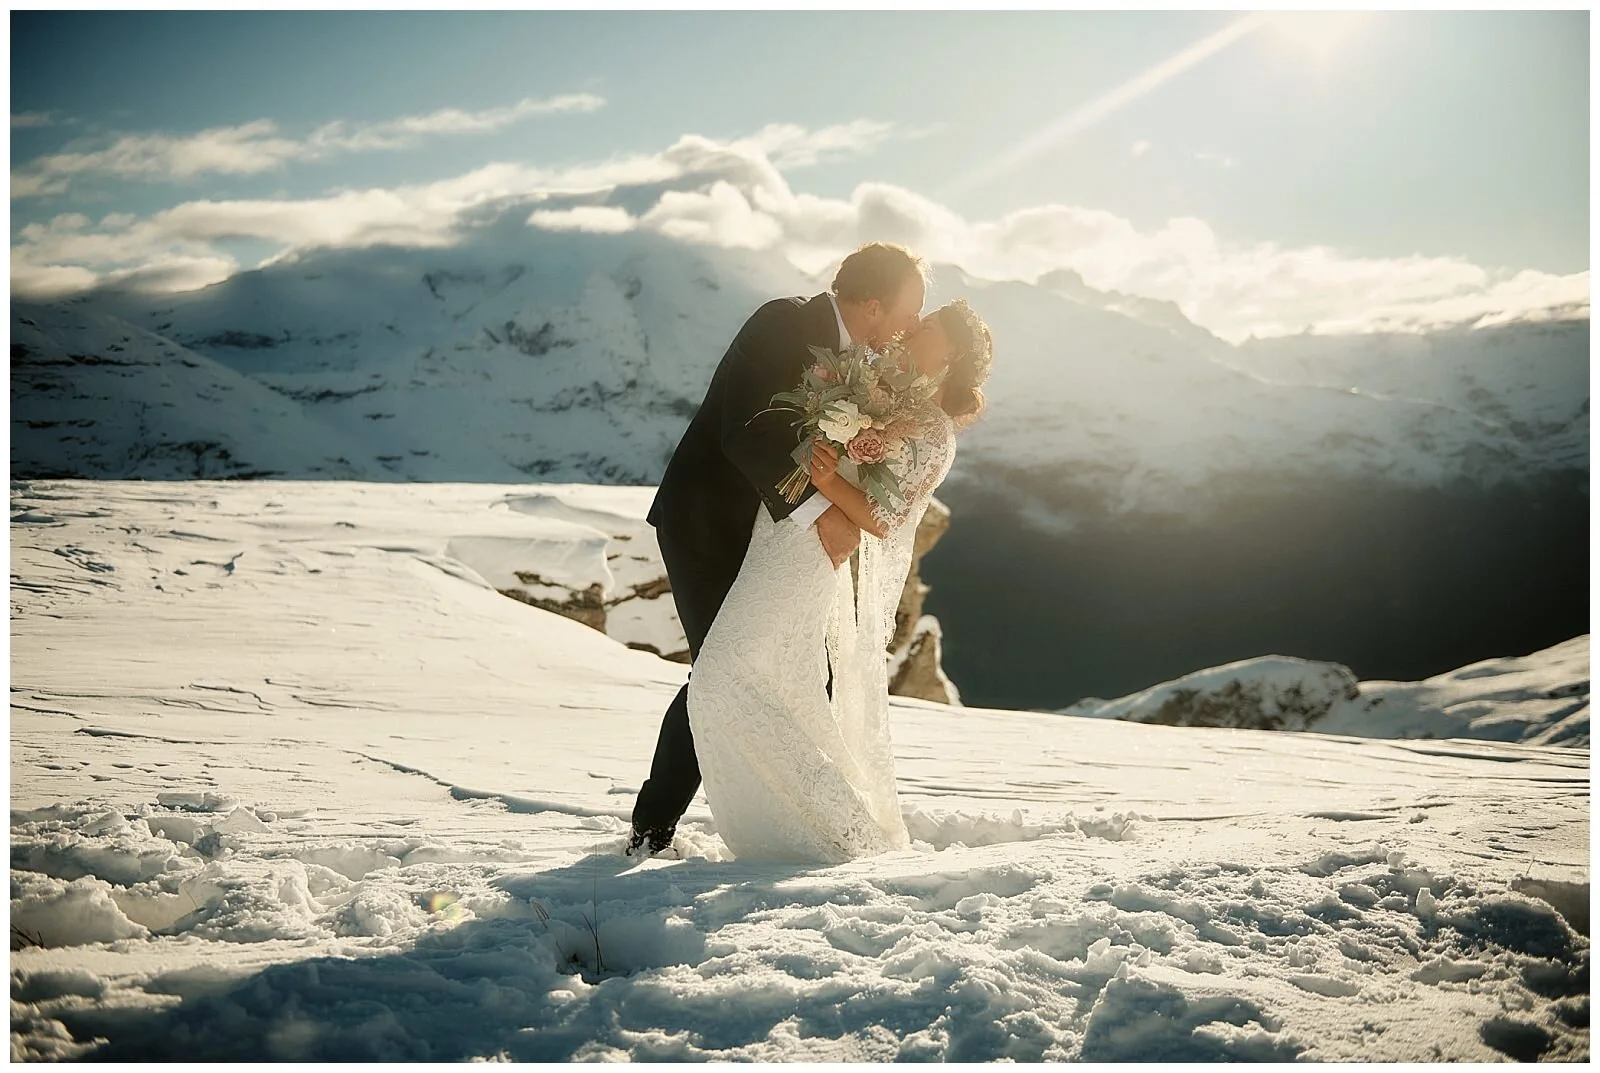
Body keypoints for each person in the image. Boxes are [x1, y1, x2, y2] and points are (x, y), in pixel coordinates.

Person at [628, 242, 929, 857]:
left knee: (795, 673)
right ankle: (651, 831)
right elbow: (746, 433)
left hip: (771, 538)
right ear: (872, 305)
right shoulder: (783, 322)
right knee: (720, 673)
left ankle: (797, 824)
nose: (912, 325)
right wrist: (826, 512)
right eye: (910, 308)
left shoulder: (865, 362)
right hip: (708, 526)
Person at [686, 299, 993, 862]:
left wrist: (824, 482)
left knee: (721, 673)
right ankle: (793, 829)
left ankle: (844, 829)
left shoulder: (933, 433)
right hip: (774, 533)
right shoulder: (876, 389)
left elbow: (885, 517)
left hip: (810, 549)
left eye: (925, 328)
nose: (910, 328)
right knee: (778, 686)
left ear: (948, 355)